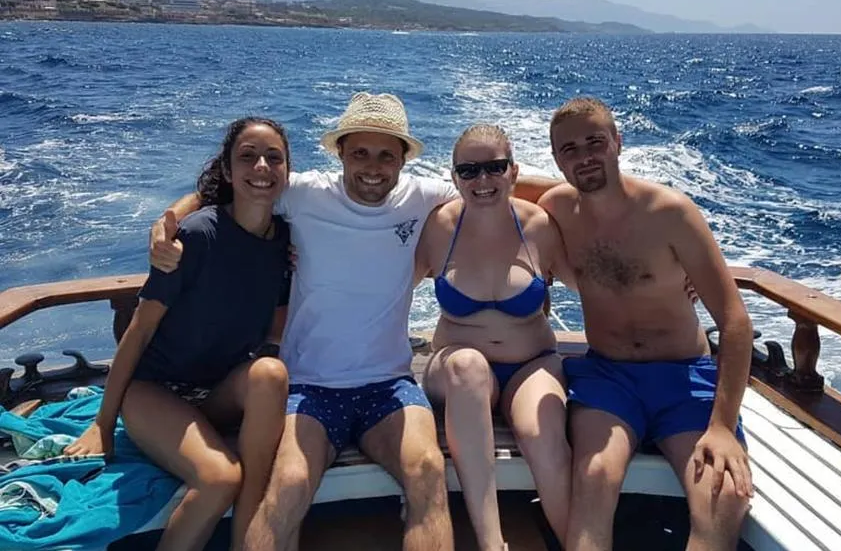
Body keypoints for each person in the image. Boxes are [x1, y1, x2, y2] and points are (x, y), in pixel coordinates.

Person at [149, 93, 559, 551]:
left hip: (390, 386)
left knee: (427, 473)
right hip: (310, 387)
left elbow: (493, 182)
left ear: (403, 160)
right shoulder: (302, 194)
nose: (373, 167)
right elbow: (223, 191)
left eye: (386, 155)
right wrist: (169, 222)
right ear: (340, 153)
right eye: (360, 152)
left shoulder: (421, 197)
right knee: (288, 485)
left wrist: (580, 189)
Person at [64, 118, 293, 551]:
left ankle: (248, 541)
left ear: (287, 171)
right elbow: (140, 329)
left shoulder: (286, 240)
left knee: (271, 373)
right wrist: (102, 423)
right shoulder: (196, 235)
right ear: (228, 170)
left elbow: (276, 325)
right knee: (220, 477)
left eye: (273, 157)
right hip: (155, 391)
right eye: (247, 156)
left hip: (215, 392)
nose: (262, 166)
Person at [538, 97, 754, 551]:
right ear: (556, 159)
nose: (584, 157)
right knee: (594, 475)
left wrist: (721, 427)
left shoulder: (670, 213)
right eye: (569, 149)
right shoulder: (556, 208)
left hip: (685, 378)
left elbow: (734, 322)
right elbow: (500, 187)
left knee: (723, 496)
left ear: (618, 142)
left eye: (596, 142)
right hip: (608, 377)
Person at [413, 124, 573, 550]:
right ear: (454, 177)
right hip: (456, 368)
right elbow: (386, 286)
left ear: (513, 171)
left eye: (494, 167)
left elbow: (594, 282)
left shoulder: (539, 225)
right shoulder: (438, 227)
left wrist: (674, 276)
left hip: (531, 364)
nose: (482, 180)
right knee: (468, 367)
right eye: (468, 170)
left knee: (543, 437)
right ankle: (492, 543)